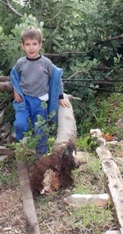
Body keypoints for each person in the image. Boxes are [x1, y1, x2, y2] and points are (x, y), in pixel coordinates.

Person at [10, 26, 71, 156]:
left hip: (40, 102)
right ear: (22, 46)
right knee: (20, 124)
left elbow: (56, 79)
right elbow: (14, 77)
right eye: (27, 44)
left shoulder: (46, 63)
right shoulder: (21, 63)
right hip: (25, 101)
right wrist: (16, 91)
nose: (31, 48)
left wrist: (60, 97)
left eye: (34, 44)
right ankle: (18, 139)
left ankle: (41, 155)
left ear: (40, 45)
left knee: (41, 129)